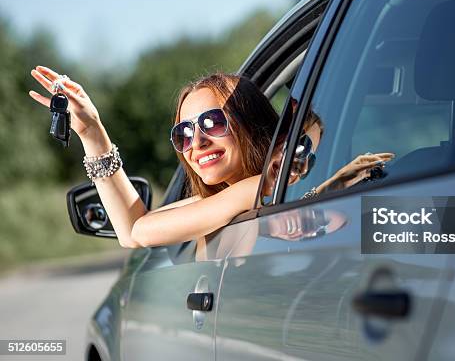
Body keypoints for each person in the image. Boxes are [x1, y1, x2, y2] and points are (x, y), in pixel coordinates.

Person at [29, 66, 278, 249]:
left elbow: (139, 232)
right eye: (185, 133)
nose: (198, 143)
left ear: (251, 122)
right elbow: (131, 231)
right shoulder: (220, 198)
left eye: (212, 122)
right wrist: (91, 132)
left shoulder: (260, 187)